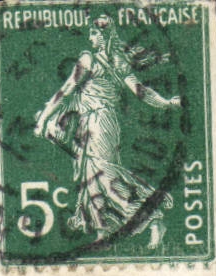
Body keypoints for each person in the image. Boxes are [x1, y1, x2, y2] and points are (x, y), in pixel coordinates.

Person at [34, 13, 182, 246]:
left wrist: (44, 118)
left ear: (102, 36)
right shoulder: (119, 62)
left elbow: (66, 90)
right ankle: (103, 232)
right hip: (100, 123)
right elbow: (142, 92)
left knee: (104, 176)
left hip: (97, 124)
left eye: (93, 33)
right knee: (94, 179)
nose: (90, 37)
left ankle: (153, 218)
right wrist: (166, 103)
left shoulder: (88, 59)